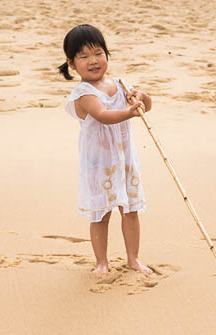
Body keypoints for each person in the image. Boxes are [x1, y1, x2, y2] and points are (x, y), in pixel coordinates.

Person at [59, 24, 153, 276]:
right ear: (72, 64)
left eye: (98, 53)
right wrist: (129, 112)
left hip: (124, 158)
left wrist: (142, 97)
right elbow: (103, 116)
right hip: (98, 163)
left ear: (107, 55)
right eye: (84, 56)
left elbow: (147, 106)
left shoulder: (120, 84)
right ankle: (102, 262)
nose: (93, 61)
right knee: (100, 213)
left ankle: (133, 259)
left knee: (130, 209)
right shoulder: (83, 93)